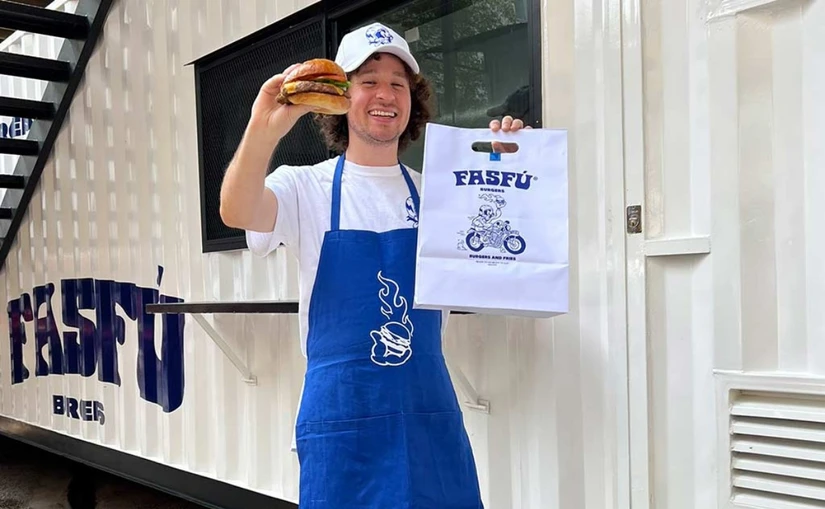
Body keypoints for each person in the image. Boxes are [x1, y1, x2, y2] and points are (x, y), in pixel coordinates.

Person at [220, 22, 530, 509]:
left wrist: (512, 166)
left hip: (427, 415)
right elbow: (237, 211)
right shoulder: (305, 187)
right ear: (342, 97)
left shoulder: (441, 192)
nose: (384, 94)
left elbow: (503, 257)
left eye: (397, 83)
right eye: (368, 80)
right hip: (342, 419)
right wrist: (265, 127)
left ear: (412, 100)